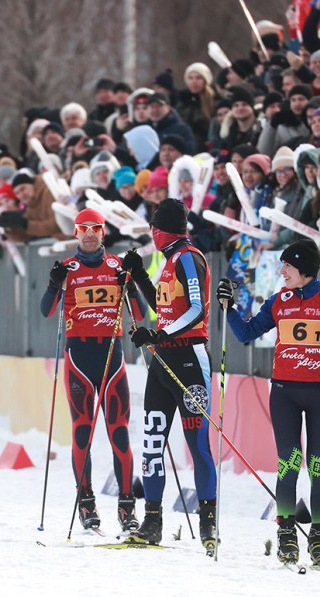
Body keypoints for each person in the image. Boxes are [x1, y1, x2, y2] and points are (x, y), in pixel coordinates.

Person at [217, 239, 320, 568]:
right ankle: (286, 534)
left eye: (287, 265)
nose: (282, 270)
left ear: (304, 268)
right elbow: (247, 333)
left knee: (319, 468)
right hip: (285, 394)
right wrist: (229, 308)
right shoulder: (279, 300)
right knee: (288, 464)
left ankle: (319, 539)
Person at [120, 198, 217, 552]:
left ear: (160, 230)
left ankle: (209, 524)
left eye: (153, 228)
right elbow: (163, 310)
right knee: (152, 443)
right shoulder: (168, 258)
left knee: (198, 446)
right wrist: (140, 274)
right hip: (162, 363)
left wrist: (158, 335)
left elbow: (196, 310)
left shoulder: (189, 257)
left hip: (189, 360)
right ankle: (152, 521)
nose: (151, 234)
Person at [39, 208, 144, 532]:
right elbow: (46, 311)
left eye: (95, 228)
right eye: (84, 228)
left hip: (112, 360)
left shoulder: (116, 266)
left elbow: (140, 313)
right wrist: (54, 284)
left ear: (103, 232)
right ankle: (86, 504)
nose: (89, 233)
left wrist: (132, 281)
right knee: (82, 434)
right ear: (76, 233)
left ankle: (127, 508)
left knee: (120, 435)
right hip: (79, 361)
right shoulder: (67, 268)